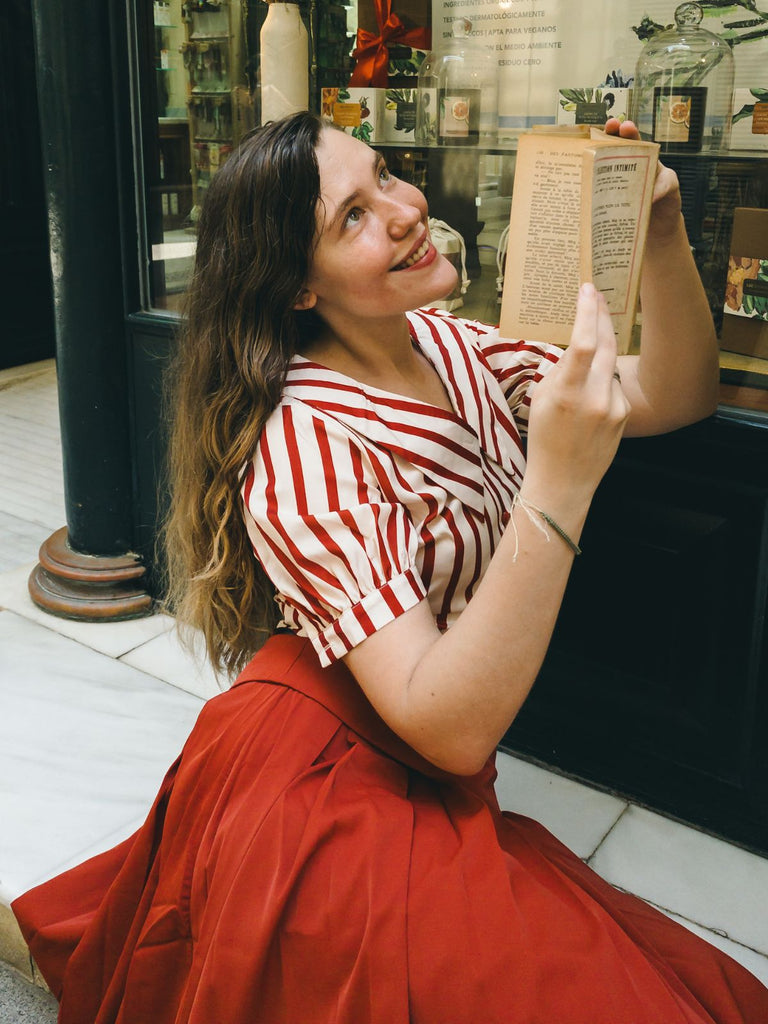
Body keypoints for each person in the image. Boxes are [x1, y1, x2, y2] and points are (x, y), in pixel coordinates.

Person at [12, 111, 768, 1023]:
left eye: (386, 176)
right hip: (325, 775)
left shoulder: (451, 344)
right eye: (354, 218)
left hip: (429, 754)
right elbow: (449, 731)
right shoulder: (304, 447)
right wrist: (559, 485)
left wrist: (662, 235)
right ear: (299, 286)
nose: (406, 210)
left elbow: (678, 393)